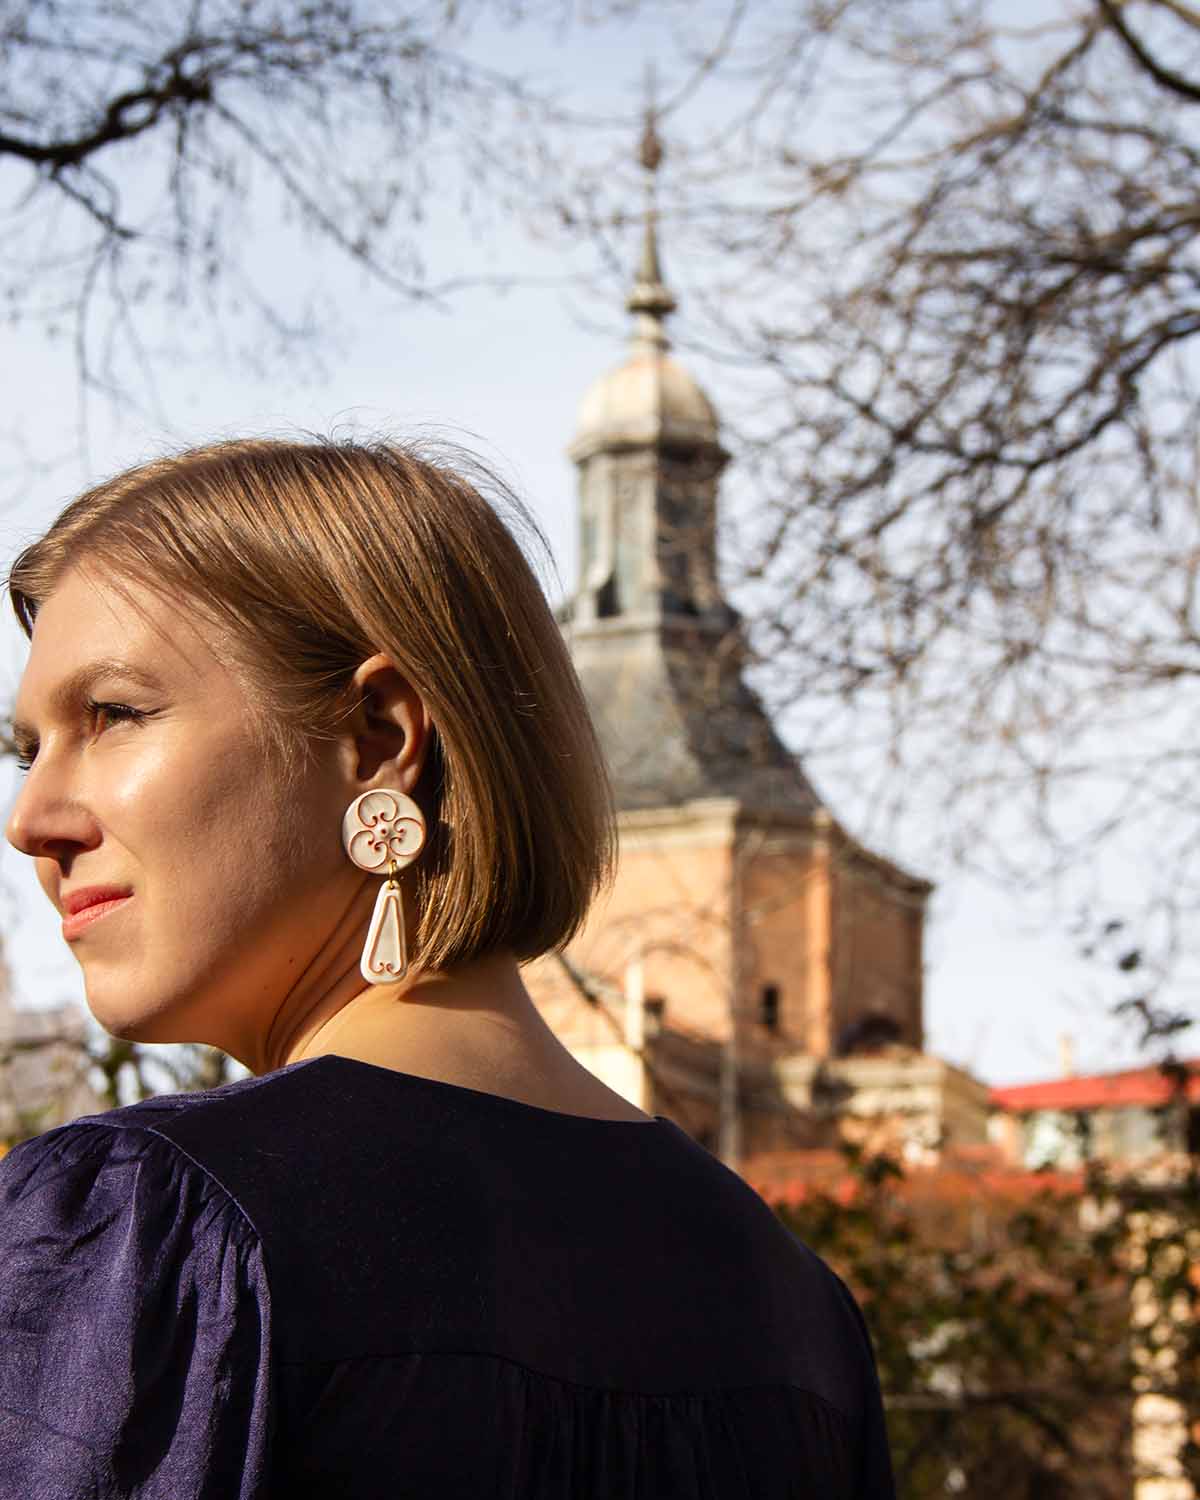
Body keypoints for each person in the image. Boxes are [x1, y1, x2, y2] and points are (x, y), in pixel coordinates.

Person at [0, 437, 895, 1498]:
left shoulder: (156, 1222)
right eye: (27, 750)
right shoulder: (800, 1313)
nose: (31, 820)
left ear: (379, 738)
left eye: (113, 716)